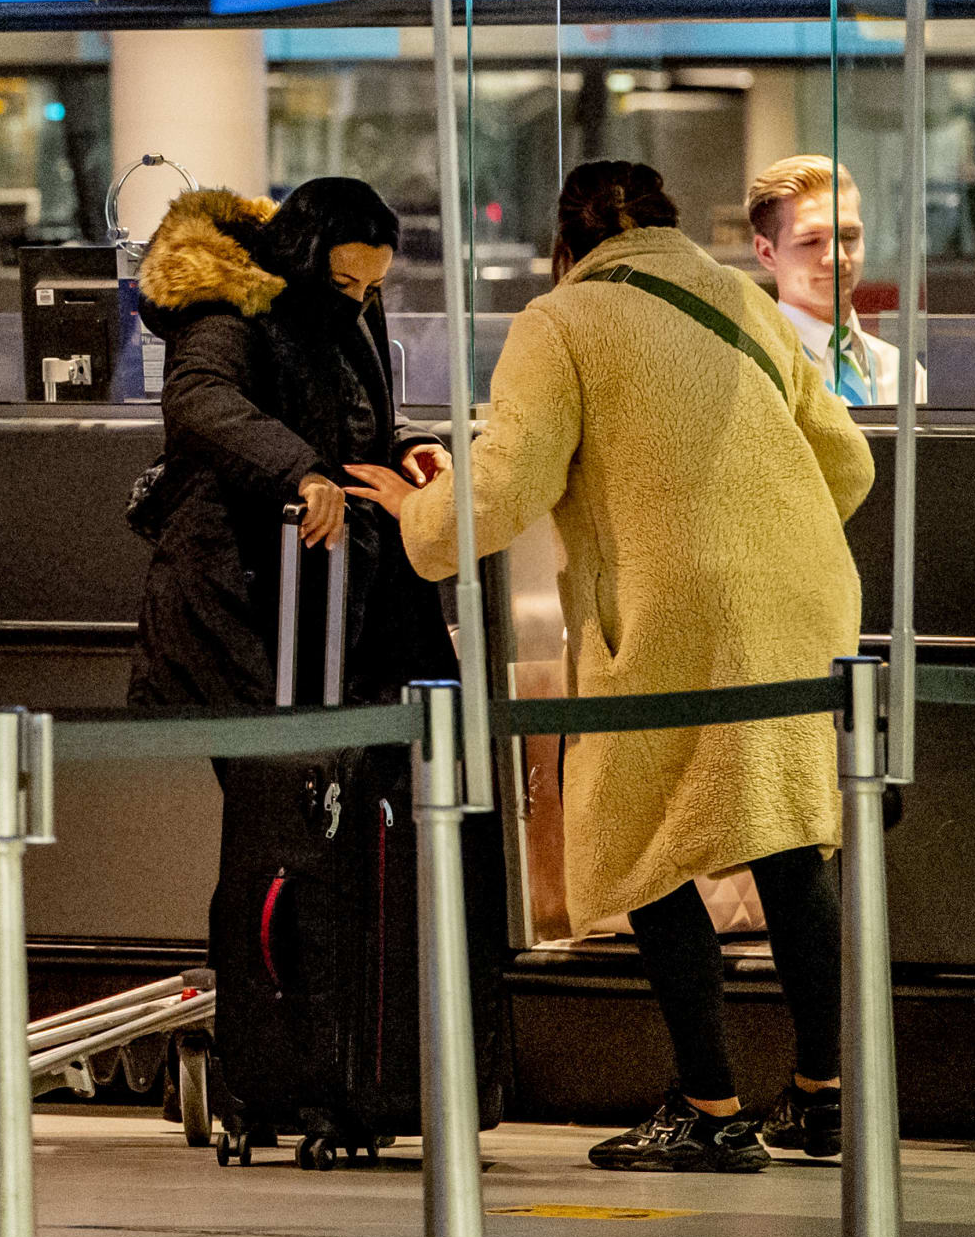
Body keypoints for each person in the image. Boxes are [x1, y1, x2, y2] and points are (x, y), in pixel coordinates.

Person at [354, 160, 875, 1174]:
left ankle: (711, 1107)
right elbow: (847, 460)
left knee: (642, 840)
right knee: (786, 836)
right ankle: (825, 1098)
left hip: (674, 615)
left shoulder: (562, 318)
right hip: (807, 602)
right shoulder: (737, 294)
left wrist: (420, 507)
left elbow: (504, 490)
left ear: (567, 238)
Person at [126, 177, 456, 712]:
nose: (356, 299)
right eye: (344, 282)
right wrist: (301, 471)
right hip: (249, 588)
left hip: (336, 586)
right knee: (278, 781)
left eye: (372, 288)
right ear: (305, 259)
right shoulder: (229, 304)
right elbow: (200, 397)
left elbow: (341, 405)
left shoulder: (340, 295)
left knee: (343, 774)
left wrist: (404, 440)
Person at [747, 154, 920, 407]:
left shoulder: (904, 371)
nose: (838, 258)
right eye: (810, 241)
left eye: (849, 236)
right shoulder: (753, 371)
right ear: (766, 253)